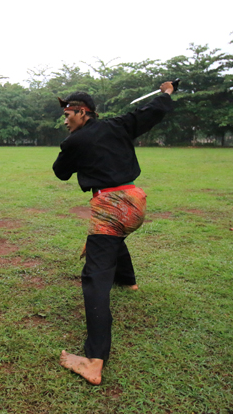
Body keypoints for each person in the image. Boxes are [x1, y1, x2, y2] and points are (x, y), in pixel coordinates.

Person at [52, 82, 175, 385]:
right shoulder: (120, 125)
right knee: (113, 237)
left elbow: (60, 171)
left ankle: (94, 361)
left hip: (110, 206)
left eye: (68, 114)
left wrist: (72, 143)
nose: (65, 120)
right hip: (136, 203)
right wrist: (167, 92)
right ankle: (129, 282)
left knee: (95, 277)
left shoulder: (75, 140)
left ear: (83, 112)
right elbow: (152, 111)